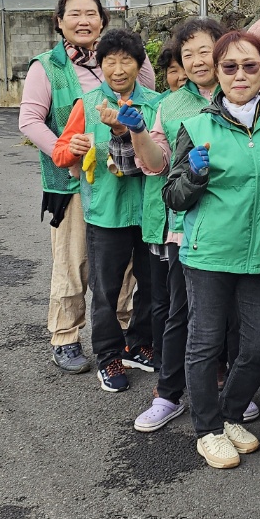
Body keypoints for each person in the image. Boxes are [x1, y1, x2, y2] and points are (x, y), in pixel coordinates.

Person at [163, 30, 260, 469]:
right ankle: (208, 429)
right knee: (205, 343)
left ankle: (231, 413)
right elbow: (172, 196)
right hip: (209, 255)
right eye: (229, 67)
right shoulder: (196, 126)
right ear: (216, 73)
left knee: (259, 345)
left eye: (250, 66)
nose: (240, 75)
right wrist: (194, 176)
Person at [18, 0, 154, 373]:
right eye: (74, 14)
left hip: (126, 180)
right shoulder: (47, 66)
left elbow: (151, 98)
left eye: (91, 13)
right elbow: (29, 121)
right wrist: (67, 151)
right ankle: (65, 335)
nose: (83, 21)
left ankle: (127, 333)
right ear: (59, 21)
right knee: (73, 261)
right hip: (72, 182)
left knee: (124, 264)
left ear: (102, 20)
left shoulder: (128, 58)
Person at [51, 28, 165, 393]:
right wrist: (75, 147)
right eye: (110, 61)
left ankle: (139, 343)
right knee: (106, 289)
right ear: (101, 65)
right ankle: (109, 355)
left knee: (151, 286)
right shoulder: (86, 104)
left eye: (126, 60)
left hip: (150, 213)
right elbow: (59, 154)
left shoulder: (157, 103)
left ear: (138, 64)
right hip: (106, 213)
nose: (118, 68)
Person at [130, 36, 199, 432]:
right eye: (186, 55)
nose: (196, 61)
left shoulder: (249, 92)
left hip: (239, 227)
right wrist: (140, 132)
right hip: (184, 227)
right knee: (179, 311)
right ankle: (168, 393)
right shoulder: (170, 105)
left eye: (205, 51)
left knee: (231, 316)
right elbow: (155, 165)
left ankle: (227, 384)